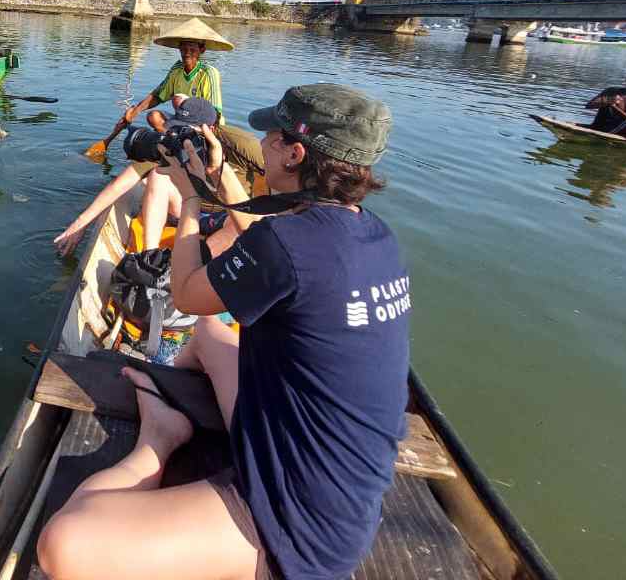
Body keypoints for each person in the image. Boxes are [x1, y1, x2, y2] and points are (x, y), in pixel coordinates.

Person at [37, 84, 409, 580]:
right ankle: (182, 410)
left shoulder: (288, 244)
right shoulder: (374, 235)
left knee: (63, 546)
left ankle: (159, 439)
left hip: (298, 518)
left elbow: (189, 294)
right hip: (336, 471)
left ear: (295, 154)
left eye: (272, 138)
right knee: (210, 334)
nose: (264, 146)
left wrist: (191, 201)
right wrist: (216, 178)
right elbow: (265, 240)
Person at [53, 115, 265, 256]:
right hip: (189, 213)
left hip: (224, 216)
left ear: (208, 130)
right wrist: (80, 225)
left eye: (187, 132)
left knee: (241, 228)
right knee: (157, 175)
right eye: (177, 131)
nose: (181, 139)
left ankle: (196, 273)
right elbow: (121, 184)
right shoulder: (172, 145)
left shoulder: (239, 145)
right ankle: (149, 256)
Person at [110, 18, 233, 139]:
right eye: (184, 49)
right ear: (179, 48)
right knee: (153, 116)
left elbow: (214, 113)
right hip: (183, 121)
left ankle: (185, 141)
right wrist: (134, 112)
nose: (187, 53)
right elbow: (158, 95)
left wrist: (204, 131)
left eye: (192, 49)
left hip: (206, 125)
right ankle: (174, 140)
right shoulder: (176, 70)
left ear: (201, 50)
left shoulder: (209, 73)